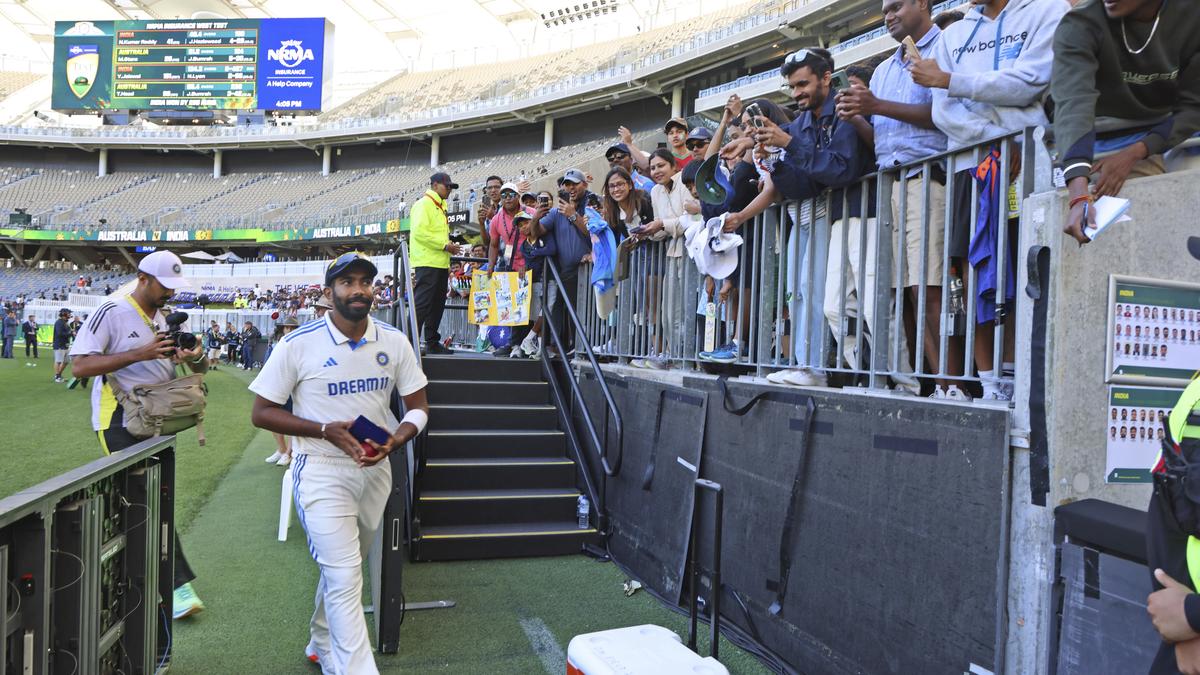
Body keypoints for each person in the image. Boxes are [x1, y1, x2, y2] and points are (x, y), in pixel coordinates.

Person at [249, 252, 429, 674]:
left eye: (366, 282)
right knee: (347, 576)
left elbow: (418, 407)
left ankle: (320, 641)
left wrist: (397, 439)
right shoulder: (297, 343)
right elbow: (262, 412)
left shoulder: (394, 340)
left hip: (375, 469)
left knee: (345, 568)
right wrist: (323, 429)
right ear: (329, 294)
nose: (359, 289)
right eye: (348, 282)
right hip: (321, 469)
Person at [910, 0, 1068, 399]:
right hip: (972, 166)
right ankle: (993, 382)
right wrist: (995, 137)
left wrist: (951, 80)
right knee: (976, 272)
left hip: (1030, 161)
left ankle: (1030, 379)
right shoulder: (954, 35)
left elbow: (1031, 81)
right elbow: (944, 111)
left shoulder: (1047, 11)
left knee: (1029, 269)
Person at [67, 250, 208, 619]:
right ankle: (174, 587)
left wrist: (185, 356)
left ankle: (140, 583)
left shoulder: (160, 315)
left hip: (159, 418)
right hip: (119, 420)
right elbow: (80, 365)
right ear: (143, 278)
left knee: (151, 499)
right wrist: (141, 353)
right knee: (144, 500)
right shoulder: (112, 310)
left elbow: (187, 364)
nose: (170, 294)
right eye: (166, 286)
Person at [836, 0, 963, 398]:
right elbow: (884, 141)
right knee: (908, 289)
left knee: (931, 285)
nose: (888, 15)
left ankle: (953, 382)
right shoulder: (885, 70)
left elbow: (944, 116)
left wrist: (874, 105)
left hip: (930, 179)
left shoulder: (945, 46)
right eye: (884, 11)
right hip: (894, 185)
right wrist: (857, 115)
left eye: (896, 7)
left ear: (923, 4)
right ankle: (936, 381)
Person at [1054, 0, 1200, 244]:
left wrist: (1135, 152)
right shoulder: (1081, 22)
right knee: (1124, 236)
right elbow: (1074, 103)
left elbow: (1194, 106)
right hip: (1103, 137)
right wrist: (1078, 194)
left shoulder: (1192, 13)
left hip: (1175, 132)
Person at [539, 169, 596, 356]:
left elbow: (593, 234)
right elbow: (536, 232)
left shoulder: (593, 202)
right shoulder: (557, 211)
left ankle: (586, 347)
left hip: (591, 269)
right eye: (567, 184)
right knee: (569, 310)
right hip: (567, 271)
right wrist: (536, 216)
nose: (570, 188)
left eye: (574, 184)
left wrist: (573, 216)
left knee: (588, 311)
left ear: (585, 185)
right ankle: (573, 346)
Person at [410, 172, 464, 355]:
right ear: (434, 185)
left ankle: (432, 342)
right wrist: (445, 245)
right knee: (422, 304)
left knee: (437, 305)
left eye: (450, 187)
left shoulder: (439, 206)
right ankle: (410, 343)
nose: (449, 189)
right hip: (427, 262)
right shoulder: (423, 204)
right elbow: (419, 233)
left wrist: (447, 246)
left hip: (440, 263)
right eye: (446, 186)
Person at [263, 316, 301, 467]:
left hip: (292, 388)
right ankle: (281, 449)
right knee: (273, 421)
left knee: (290, 421)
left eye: (292, 328)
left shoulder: (299, 345)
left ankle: (289, 453)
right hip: (276, 386)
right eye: (287, 327)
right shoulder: (277, 343)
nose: (289, 330)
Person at [52, 308, 73, 382]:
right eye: (68, 313)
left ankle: (58, 375)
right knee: (58, 361)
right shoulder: (59, 322)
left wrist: (71, 332)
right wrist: (70, 333)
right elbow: (60, 333)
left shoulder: (65, 322)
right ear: (64, 314)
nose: (70, 314)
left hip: (65, 344)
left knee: (66, 361)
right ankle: (57, 377)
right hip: (59, 344)